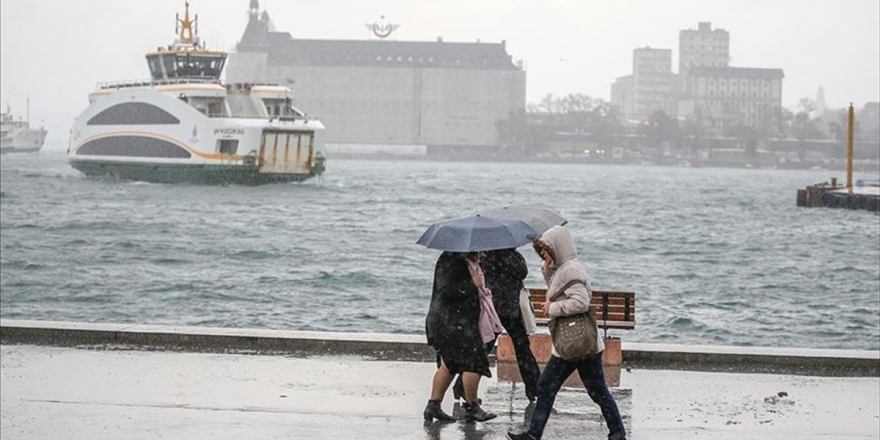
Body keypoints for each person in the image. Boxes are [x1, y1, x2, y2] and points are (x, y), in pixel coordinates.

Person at [508, 226, 626, 440]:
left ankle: (534, 435)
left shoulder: (571, 270)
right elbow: (560, 290)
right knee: (596, 391)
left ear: (558, 248)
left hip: (573, 342)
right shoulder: (564, 267)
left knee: (547, 387)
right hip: (579, 343)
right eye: (541, 250)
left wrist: (552, 308)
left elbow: (581, 303)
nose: (543, 254)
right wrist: (547, 271)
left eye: (546, 249)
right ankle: (617, 433)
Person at [424, 251, 503, 423]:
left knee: (449, 366)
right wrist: (471, 284)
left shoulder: (471, 261)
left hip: (461, 322)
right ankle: (472, 407)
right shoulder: (451, 259)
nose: (482, 252)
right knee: (473, 364)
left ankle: (433, 406)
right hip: (451, 323)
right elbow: (446, 291)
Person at [480, 248, 541, 402]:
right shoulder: (510, 255)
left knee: (485, 347)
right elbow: (522, 271)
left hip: (494, 307)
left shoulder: (485, 254)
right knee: (522, 348)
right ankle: (535, 387)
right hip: (509, 309)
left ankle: (462, 386)